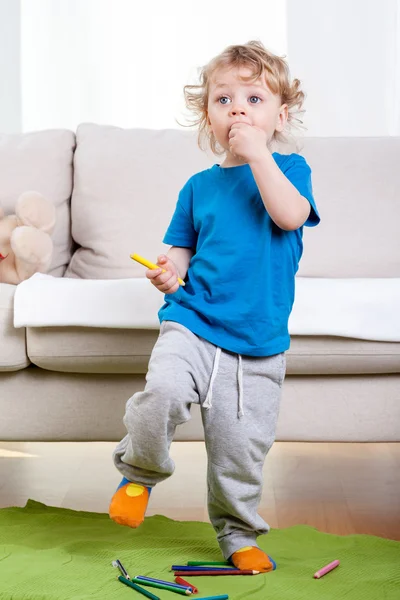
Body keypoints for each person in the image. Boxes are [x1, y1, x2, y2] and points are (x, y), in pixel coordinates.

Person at [109, 40, 320, 573]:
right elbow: (180, 250)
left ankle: (237, 533)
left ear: (280, 113)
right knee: (163, 393)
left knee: (239, 451)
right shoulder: (199, 186)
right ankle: (138, 473)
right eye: (224, 100)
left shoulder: (290, 170)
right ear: (208, 115)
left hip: (256, 340)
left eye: (254, 99)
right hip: (193, 321)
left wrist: (259, 156)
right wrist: (169, 271)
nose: (239, 110)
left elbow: (291, 216)